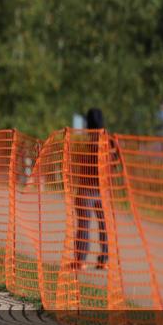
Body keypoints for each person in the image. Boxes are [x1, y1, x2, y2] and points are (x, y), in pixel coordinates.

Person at [72, 107, 109, 271]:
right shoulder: (107, 141)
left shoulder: (88, 142)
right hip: (101, 189)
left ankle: (80, 260)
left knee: (84, 224)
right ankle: (104, 259)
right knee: (104, 225)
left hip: (86, 189)